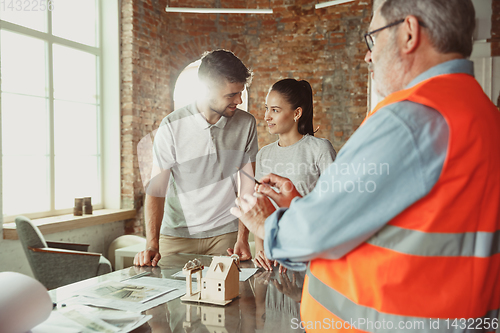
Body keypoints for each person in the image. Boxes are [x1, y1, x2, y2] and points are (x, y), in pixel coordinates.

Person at [232, 0, 500, 331]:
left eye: (372, 39)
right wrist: (300, 205)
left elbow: (316, 231)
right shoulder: (484, 115)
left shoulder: (410, 119)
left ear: (409, 33)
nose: (368, 56)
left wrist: (268, 223)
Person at [134, 49, 258, 267]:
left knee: (227, 297)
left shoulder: (246, 124)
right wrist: (152, 245)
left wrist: (242, 238)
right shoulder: (171, 126)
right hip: (176, 236)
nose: (239, 100)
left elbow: (247, 187)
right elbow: (157, 189)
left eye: (241, 93)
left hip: (225, 236)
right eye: (231, 95)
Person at [254, 79, 336, 271]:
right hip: (270, 262)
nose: (266, 116)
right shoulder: (263, 154)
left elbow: (331, 208)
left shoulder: (320, 149)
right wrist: (261, 251)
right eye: (267, 108)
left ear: (297, 113)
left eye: (275, 110)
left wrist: (298, 255)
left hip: (306, 258)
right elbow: (260, 206)